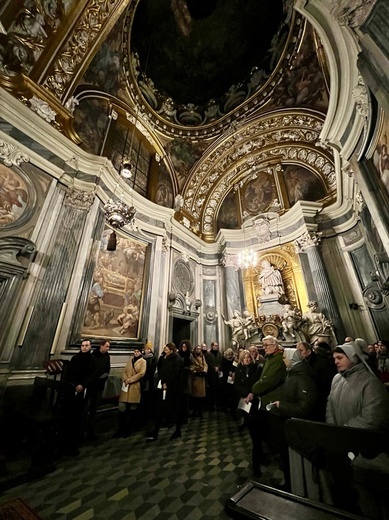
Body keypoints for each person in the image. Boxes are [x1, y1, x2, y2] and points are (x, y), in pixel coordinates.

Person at [268, 349, 318, 490]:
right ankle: (292, 485)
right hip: (291, 423)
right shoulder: (293, 373)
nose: (283, 360)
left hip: (298, 426)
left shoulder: (301, 377)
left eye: (285, 357)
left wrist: (281, 405)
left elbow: (304, 407)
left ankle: (296, 488)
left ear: (291, 358)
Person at [246, 336, 286, 476]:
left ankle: (287, 471)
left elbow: (267, 381)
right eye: (263, 345)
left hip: (273, 405)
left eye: (267, 345)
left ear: (275, 346)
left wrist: (254, 389)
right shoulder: (270, 359)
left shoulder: (278, 361)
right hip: (264, 403)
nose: (264, 347)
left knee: (278, 439)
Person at [326, 343, 389, 430]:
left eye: (339, 358)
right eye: (334, 359)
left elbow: (372, 416)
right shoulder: (336, 379)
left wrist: (345, 431)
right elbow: (330, 406)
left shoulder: (370, 382)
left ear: (352, 358)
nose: (336, 362)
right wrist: (332, 427)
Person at [146, 343, 184, 442]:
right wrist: (162, 381)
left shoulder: (176, 359)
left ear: (171, 350)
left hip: (173, 388)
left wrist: (167, 383)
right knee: (159, 408)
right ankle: (156, 431)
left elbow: (174, 373)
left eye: (167, 349)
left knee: (175, 409)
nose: (165, 351)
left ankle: (177, 430)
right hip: (163, 385)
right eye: (164, 349)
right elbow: (161, 369)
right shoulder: (164, 357)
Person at [63, 339, 94, 454]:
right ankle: (67, 442)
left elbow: (91, 375)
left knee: (80, 416)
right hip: (73, 391)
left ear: (90, 347)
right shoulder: (75, 359)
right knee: (71, 416)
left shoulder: (92, 360)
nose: (84, 347)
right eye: (82, 345)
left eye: (86, 345)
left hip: (84, 390)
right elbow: (69, 374)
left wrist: (83, 385)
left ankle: (75, 442)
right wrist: (75, 384)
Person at [297, 341, 336, 421]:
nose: (298, 353)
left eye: (300, 350)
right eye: (297, 351)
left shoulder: (319, 362)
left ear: (308, 351)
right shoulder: (305, 362)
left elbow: (324, 382)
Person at [114, 348, 146, 438]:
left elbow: (141, 373)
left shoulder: (143, 362)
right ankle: (121, 429)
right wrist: (125, 379)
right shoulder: (130, 361)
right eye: (135, 351)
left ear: (141, 352)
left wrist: (130, 380)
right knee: (121, 407)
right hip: (126, 387)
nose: (136, 353)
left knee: (133, 409)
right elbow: (124, 371)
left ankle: (129, 429)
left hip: (135, 386)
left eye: (138, 351)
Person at [84, 340, 111, 440]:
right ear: (101, 346)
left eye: (109, 347)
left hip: (99, 386)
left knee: (94, 410)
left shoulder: (107, 356)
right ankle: (82, 431)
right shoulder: (92, 356)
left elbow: (107, 370)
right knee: (85, 409)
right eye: (107, 346)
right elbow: (88, 371)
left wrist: (102, 379)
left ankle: (91, 431)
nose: (108, 349)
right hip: (90, 386)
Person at [234, 350, 262, 432]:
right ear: (242, 359)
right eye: (244, 358)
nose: (247, 359)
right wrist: (245, 394)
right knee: (244, 413)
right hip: (244, 395)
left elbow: (258, 381)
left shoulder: (257, 368)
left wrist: (251, 393)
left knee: (254, 417)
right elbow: (237, 384)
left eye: (248, 357)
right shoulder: (239, 368)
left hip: (254, 395)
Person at [189, 344, 208, 418]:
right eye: (197, 349)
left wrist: (204, 371)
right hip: (195, 378)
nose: (198, 350)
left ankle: (200, 411)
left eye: (199, 349)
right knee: (194, 397)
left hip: (201, 378)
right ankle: (194, 411)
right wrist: (195, 371)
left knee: (200, 397)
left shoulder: (202, 357)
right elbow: (191, 365)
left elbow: (205, 365)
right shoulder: (192, 357)